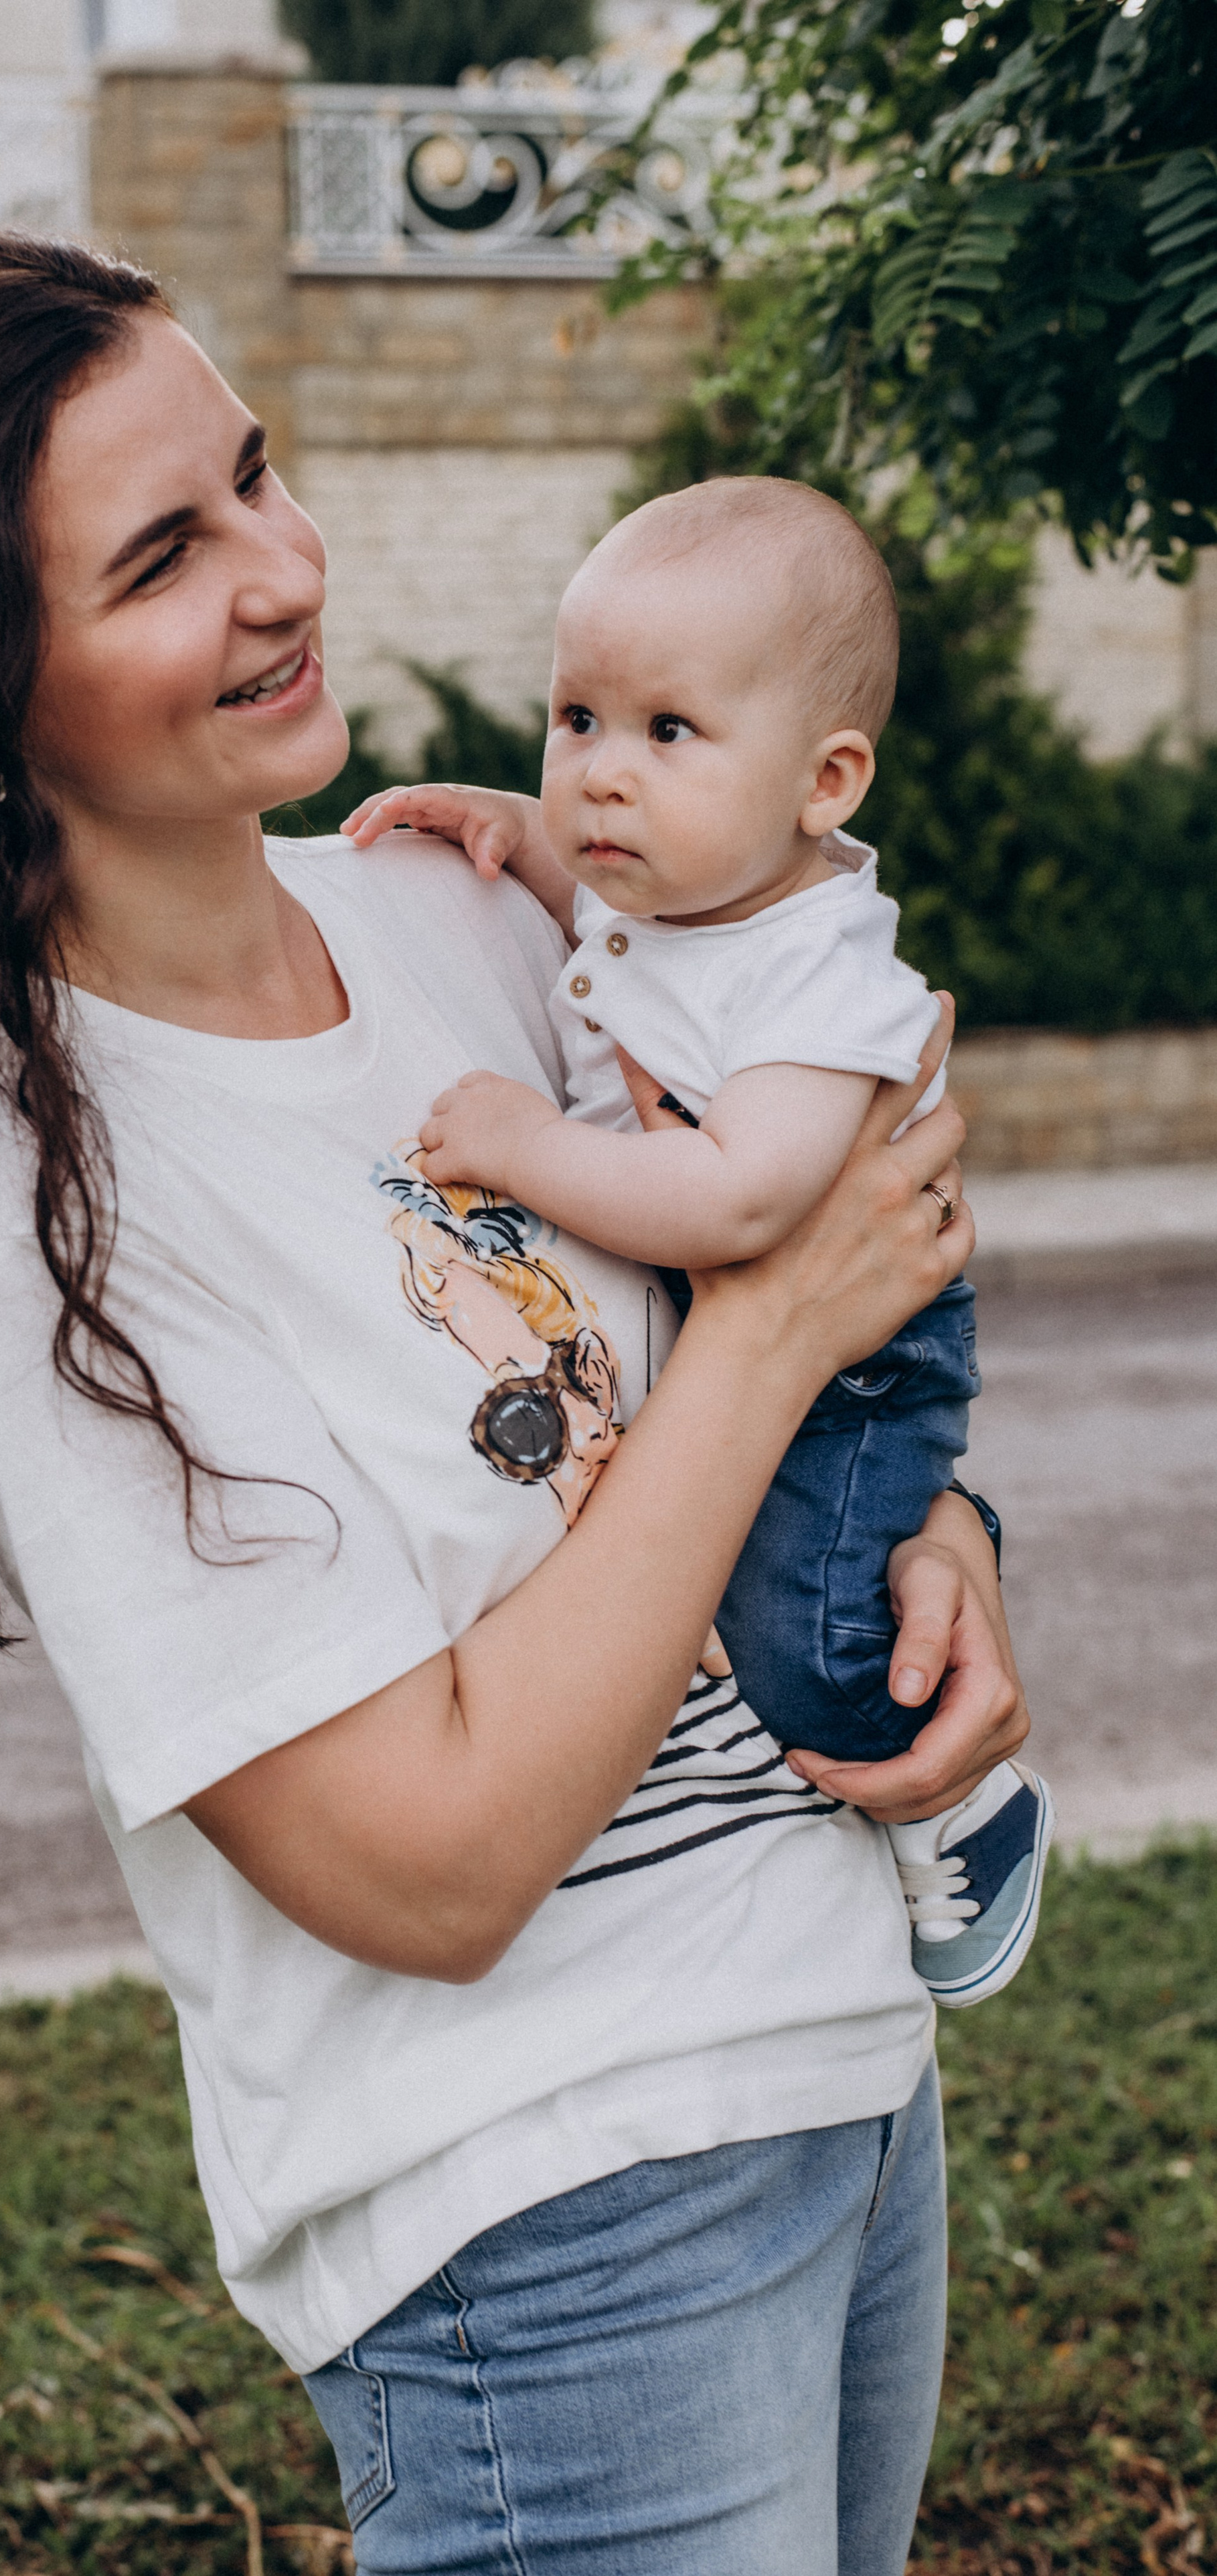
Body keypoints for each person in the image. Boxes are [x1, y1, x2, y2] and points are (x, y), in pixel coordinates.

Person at [0, 231, 1030, 2573]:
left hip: (838, 2064)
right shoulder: (43, 1197)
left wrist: (929, 1536)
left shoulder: (463, 910)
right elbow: (429, 1859)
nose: (284, 568)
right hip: (550, 2217)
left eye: (252, 473)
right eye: (166, 554)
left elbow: (725, 1367)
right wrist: (777, 1331)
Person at [341, 477, 1052, 2011]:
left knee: (797, 1638)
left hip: (852, 1374)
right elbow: (592, 901)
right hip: (754, 1338)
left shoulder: (814, 974)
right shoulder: (678, 894)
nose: (598, 778)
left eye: (665, 733)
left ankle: (955, 1808)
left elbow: (742, 1202)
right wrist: (501, 830)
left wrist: (527, 1149)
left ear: (825, 782)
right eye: (574, 718)